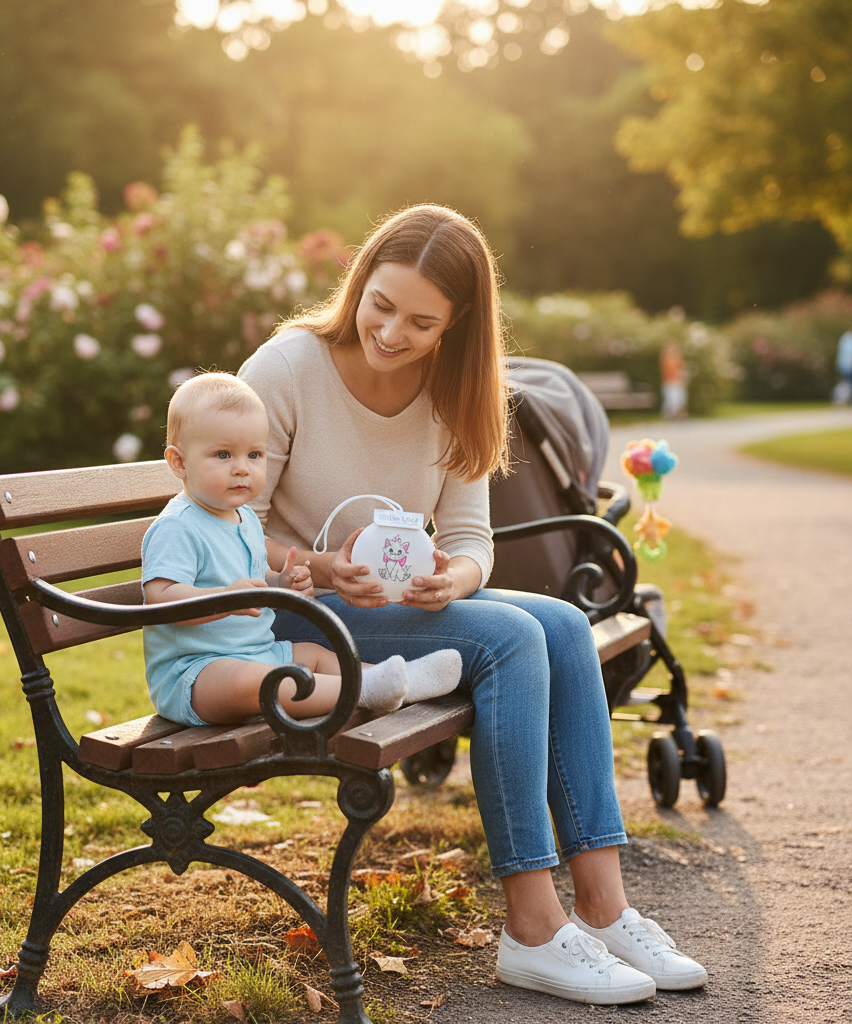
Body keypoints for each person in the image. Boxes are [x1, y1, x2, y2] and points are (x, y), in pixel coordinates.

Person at [238, 204, 708, 1004]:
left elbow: (469, 538)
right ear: (360, 282)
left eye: (421, 322)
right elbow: (227, 529)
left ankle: (603, 906)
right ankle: (530, 926)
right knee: (511, 639)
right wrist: (312, 563)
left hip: (390, 606)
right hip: (294, 613)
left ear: (457, 326)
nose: (390, 332)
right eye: (379, 305)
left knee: (560, 621)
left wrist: (452, 581)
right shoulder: (286, 371)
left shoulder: (457, 390)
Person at [140, 372, 462, 728]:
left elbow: (248, 578)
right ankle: (366, 689)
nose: (242, 469)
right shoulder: (178, 526)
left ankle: (403, 681)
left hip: (259, 652)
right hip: (195, 672)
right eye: (222, 454)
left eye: (254, 454)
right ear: (179, 463)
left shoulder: (243, 518)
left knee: (313, 655)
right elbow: (160, 597)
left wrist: (279, 585)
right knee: (251, 682)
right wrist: (223, 598)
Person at [660, 341, 688, 420]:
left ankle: (679, 415)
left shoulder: (677, 360)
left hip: (677, 383)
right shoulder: (667, 360)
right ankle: (671, 415)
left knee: (680, 400)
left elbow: (681, 371)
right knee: (672, 401)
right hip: (671, 383)